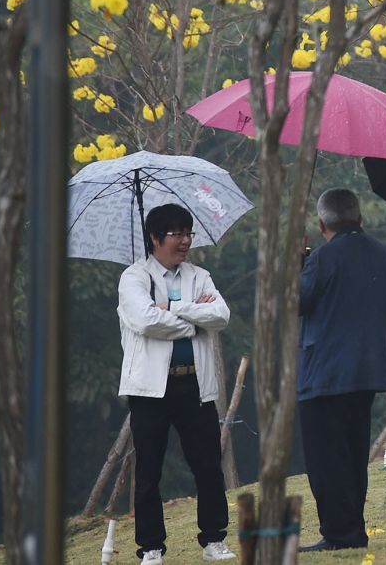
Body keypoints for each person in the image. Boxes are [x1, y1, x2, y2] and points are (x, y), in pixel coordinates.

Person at [117, 203, 236, 565]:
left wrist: (172, 307)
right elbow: (145, 320)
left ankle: (214, 540)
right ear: (154, 237)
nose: (184, 241)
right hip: (149, 389)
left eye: (188, 233)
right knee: (149, 470)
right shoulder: (134, 278)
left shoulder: (199, 275)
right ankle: (151, 548)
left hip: (194, 385)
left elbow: (221, 315)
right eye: (176, 233)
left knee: (207, 465)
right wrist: (192, 317)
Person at [297, 189, 386, 552]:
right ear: (360, 219)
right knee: (352, 453)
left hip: (324, 375)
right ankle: (352, 530)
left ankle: (339, 533)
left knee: (325, 458)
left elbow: (298, 301)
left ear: (321, 224)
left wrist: (299, 262)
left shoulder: (321, 259)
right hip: (367, 372)